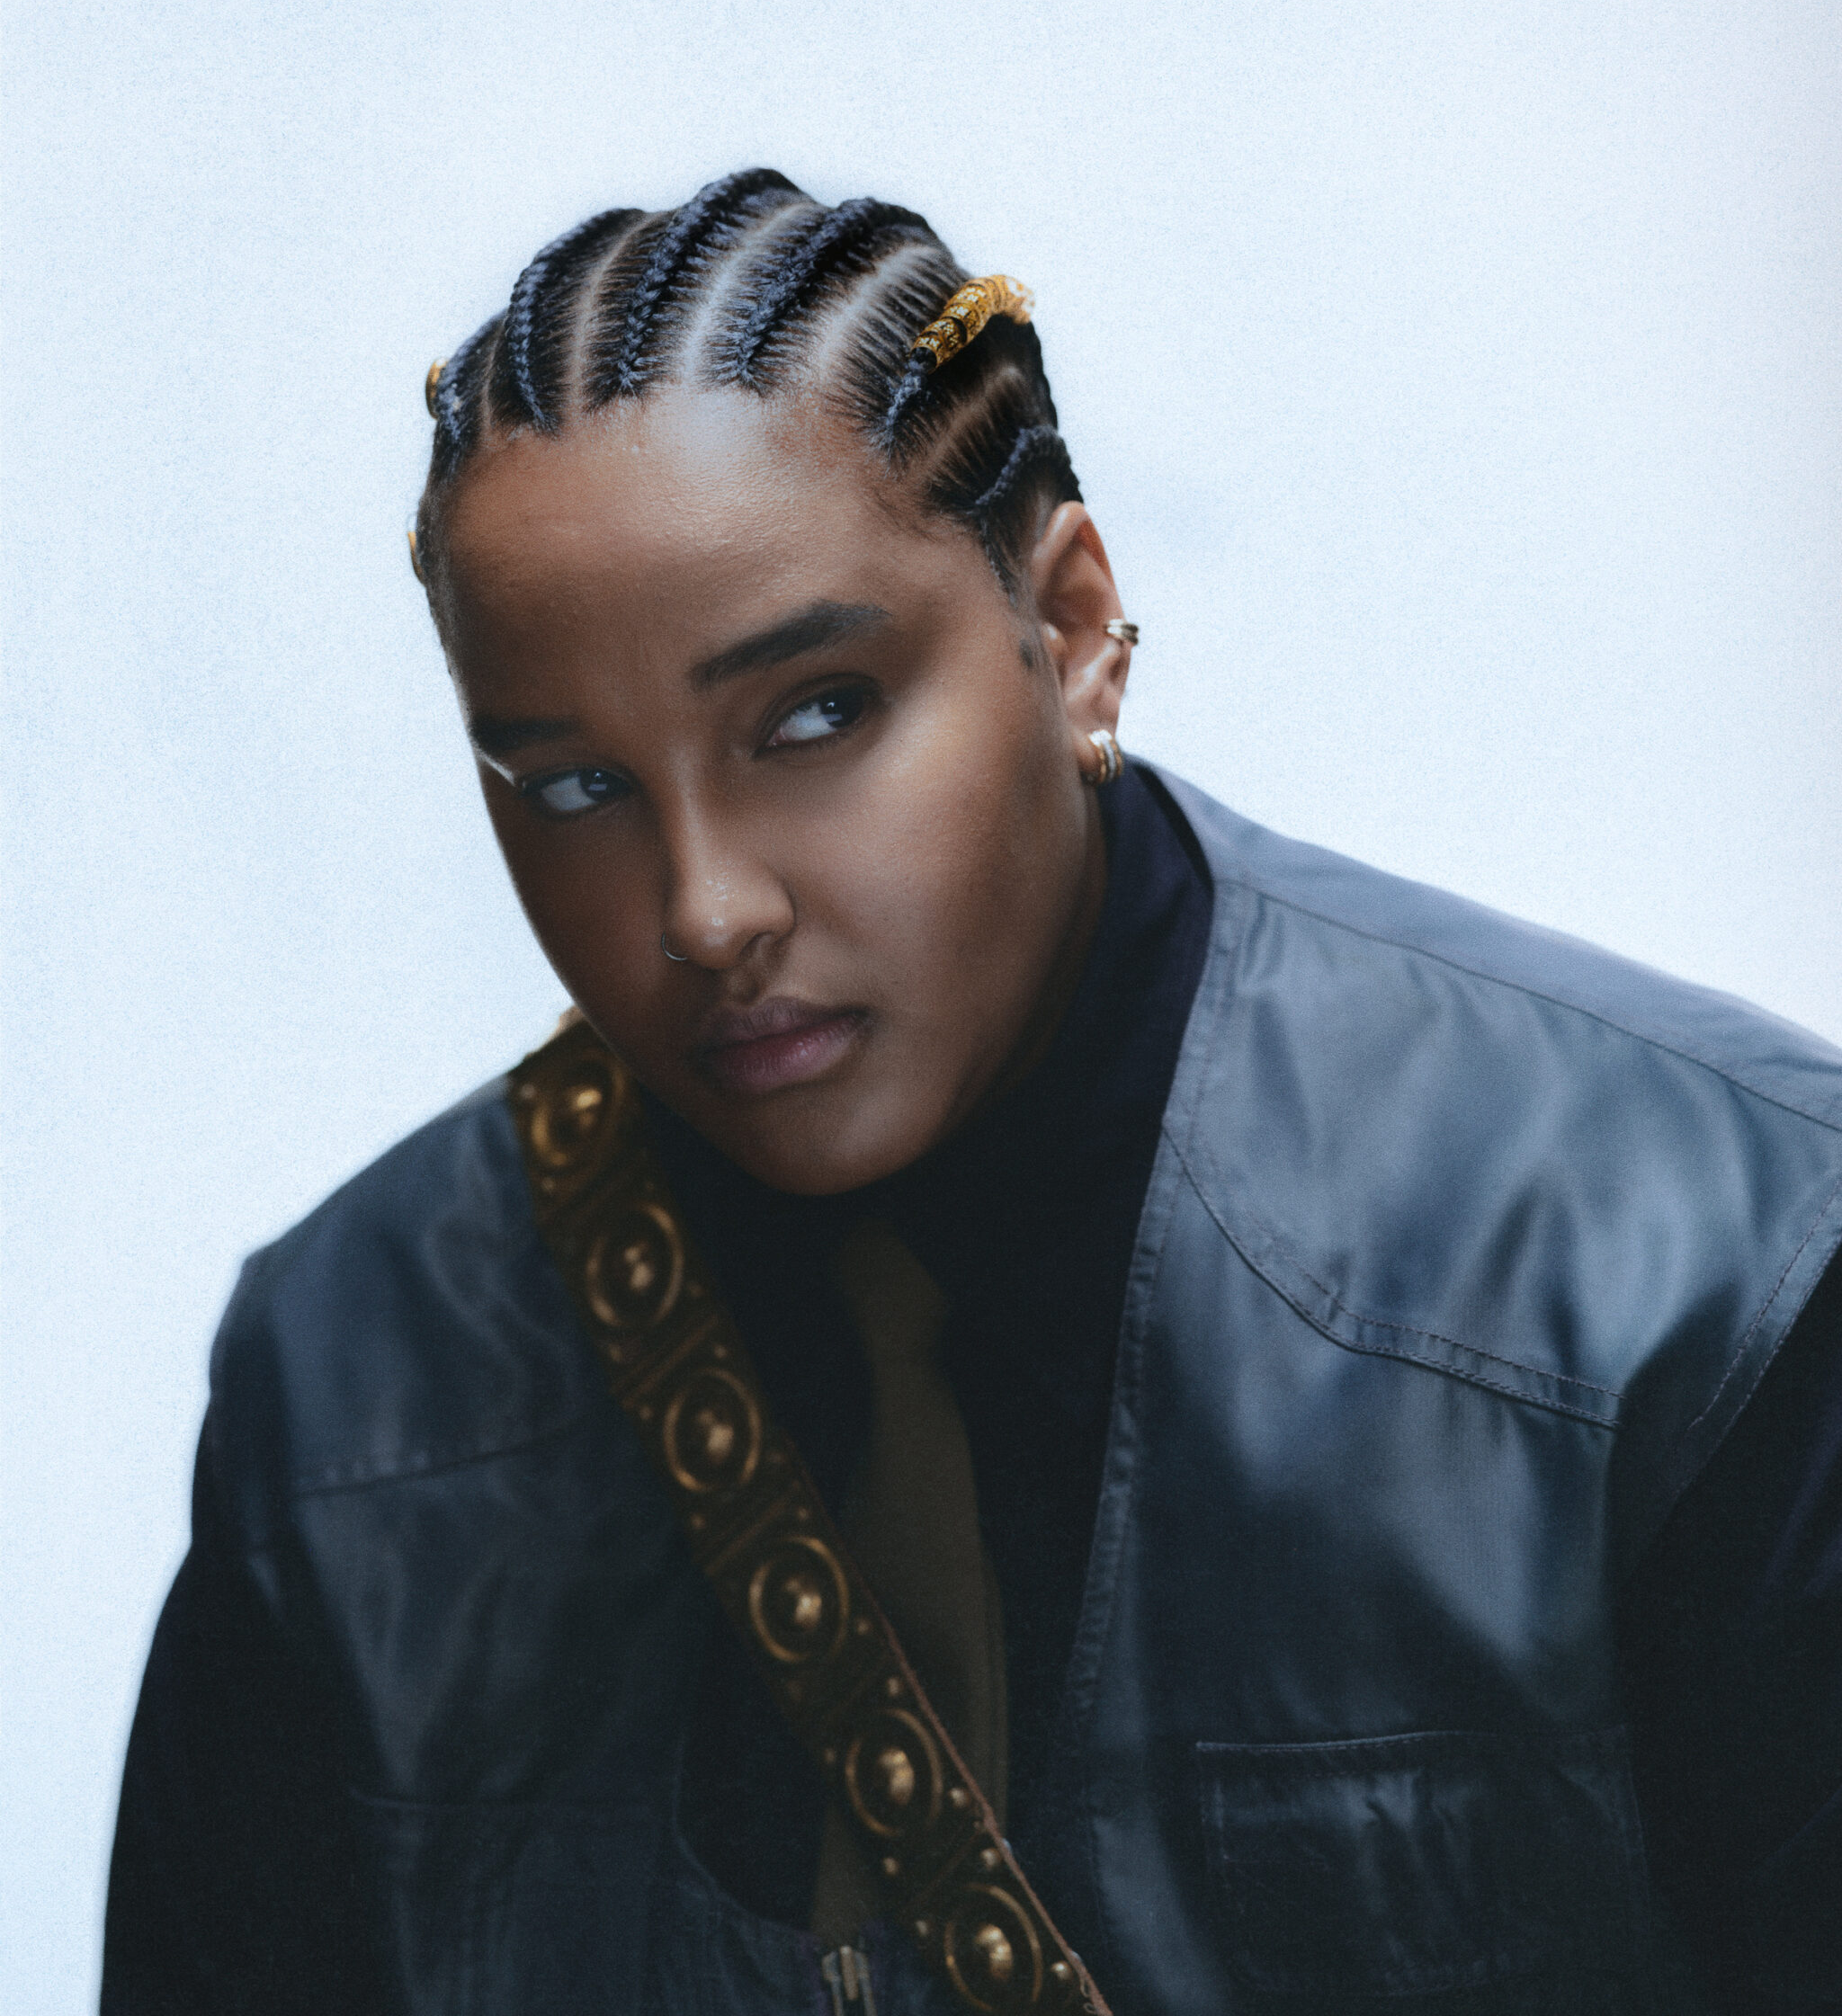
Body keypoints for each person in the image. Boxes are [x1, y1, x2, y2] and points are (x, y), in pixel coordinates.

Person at [103, 170, 1841, 2015]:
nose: (704, 910)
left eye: (813, 715)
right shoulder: (349, 1382)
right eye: (574, 787)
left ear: (1071, 627)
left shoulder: (1698, 1278)